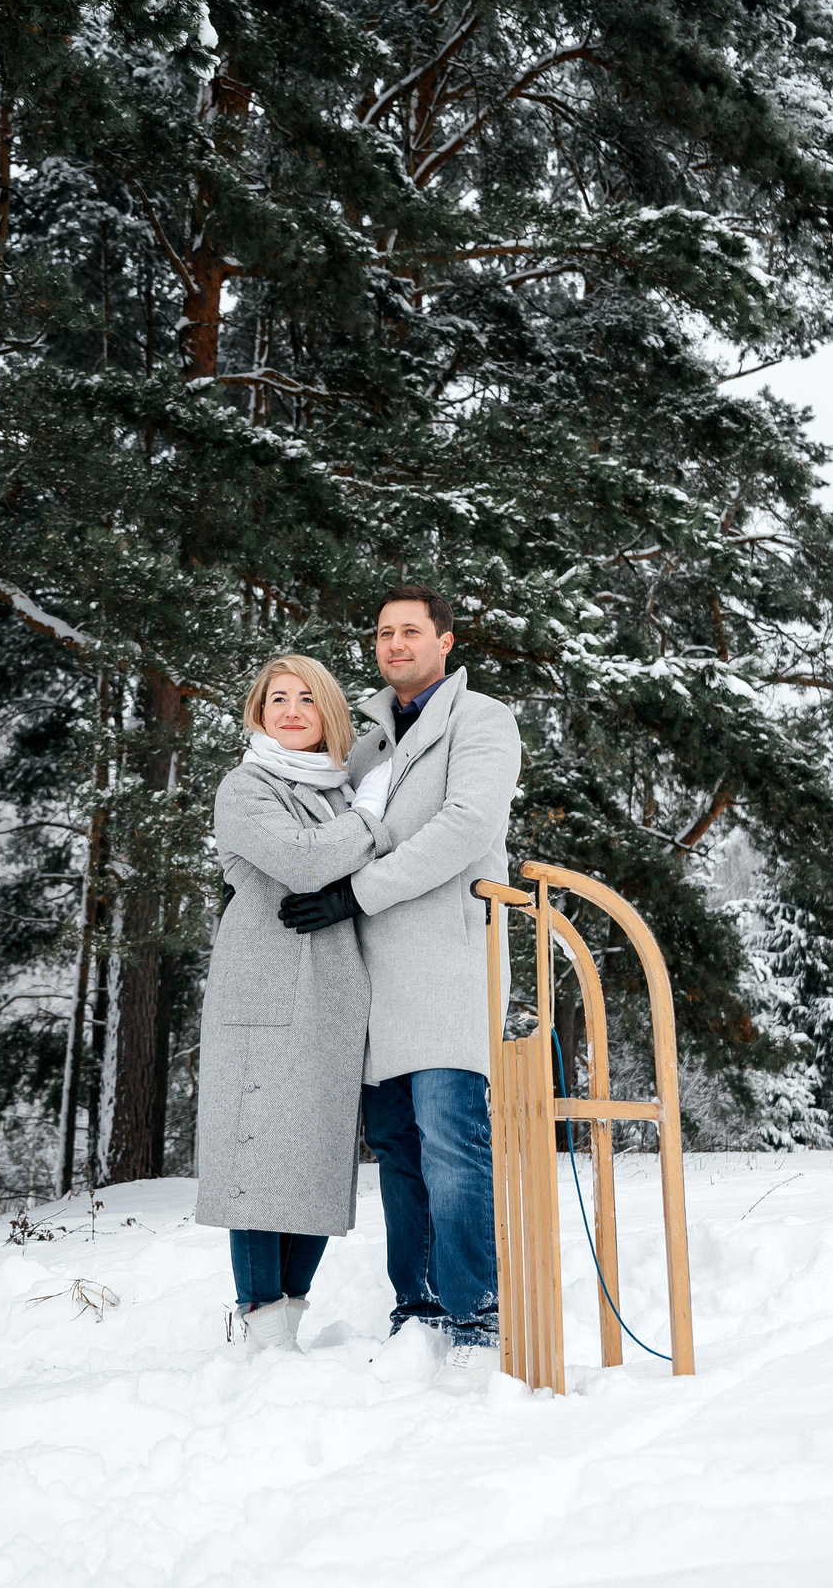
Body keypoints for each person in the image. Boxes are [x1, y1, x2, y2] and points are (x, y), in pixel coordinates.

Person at [276, 585, 522, 1393]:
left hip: (446, 961)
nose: (393, 643)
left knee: (453, 1146)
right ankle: (416, 1312)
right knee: (399, 1152)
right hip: (368, 972)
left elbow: (466, 827)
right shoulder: (362, 737)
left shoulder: (480, 720)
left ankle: (476, 1319)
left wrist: (356, 892)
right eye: (383, 632)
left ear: (445, 641)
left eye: (410, 630)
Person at [193, 655, 396, 1353]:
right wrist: (373, 818)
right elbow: (307, 861)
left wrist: (359, 812)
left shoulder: (339, 793)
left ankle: (291, 1317)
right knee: (258, 1159)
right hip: (264, 989)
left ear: (329, 714)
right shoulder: (245, 787)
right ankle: (261, 1321)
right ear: (258, 712)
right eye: (276, 698)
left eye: (307, 699)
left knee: (312, 1155)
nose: (290, 709)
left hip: (335, 993)